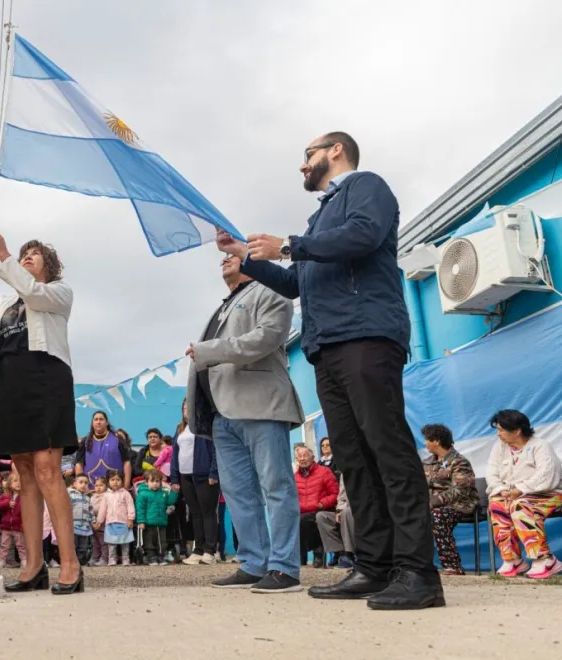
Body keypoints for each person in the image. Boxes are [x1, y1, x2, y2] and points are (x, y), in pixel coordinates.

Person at [222, 132, 443, 609]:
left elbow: (362, 235)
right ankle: (373, 566)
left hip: (366, 336)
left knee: (388, 450)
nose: (303, 165)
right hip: (328, 347)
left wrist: (291, 244)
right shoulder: (320, 218)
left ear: (335, 151)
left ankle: (418, 573)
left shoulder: (367, 187)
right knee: (354, 460)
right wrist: (246, 256)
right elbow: (295, 283)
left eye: (308, 154)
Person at [186, 250, 305, 592]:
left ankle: (284, 568)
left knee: (276, 487)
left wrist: (208, 350)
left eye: (232, 254)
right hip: (222, 414)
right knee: (238, 493)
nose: (224, 258)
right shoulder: (223, 305)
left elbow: (266, 338)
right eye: (220, 256)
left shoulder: (271, 290)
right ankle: (254, 562)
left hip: (261, 406)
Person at [0, 229, 82, 594]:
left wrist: (3, 256)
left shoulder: (58, 292)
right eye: (23, 255)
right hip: (9, 383)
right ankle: (33, 566)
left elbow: (34, 293)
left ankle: (70, 564)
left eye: (33, 255)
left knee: (48, 468)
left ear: (48, 265)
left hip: (45, 378)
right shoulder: (7, 301)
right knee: (23, 472)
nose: (26, 258)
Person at [486, 410, 562, 579]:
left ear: (517, 430)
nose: (498, 434)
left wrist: (520, 489)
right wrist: (501, 489)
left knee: (521, 506)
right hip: (512, 494)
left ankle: (545, 559)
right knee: (497, 505)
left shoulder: (540, 446)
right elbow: (491, 472)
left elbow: (547, 476)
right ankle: (513, 560)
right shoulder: (499, 447)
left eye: (501, 430)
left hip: (548, 493)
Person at [421, 424, 479, 576]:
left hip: (460, 505)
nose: (425, 443)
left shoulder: (459, 462)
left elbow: (460, 490)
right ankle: (414, 565)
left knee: (438, 515)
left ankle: (453, 565)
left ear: (437, 441)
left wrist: (433, 502)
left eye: (427, 439)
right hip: (432, 505)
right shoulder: (427, 463)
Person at [171, 399, 220, 565]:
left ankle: (210, 550)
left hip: (205, 475)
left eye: (189, 407)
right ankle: (198, 549)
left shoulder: (204, 426)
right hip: (186, 476)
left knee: (208, 512)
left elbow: (215, 450)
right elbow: (174, 454)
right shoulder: (180, 429)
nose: (186, 410)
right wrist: (175, 477)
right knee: (195, 514)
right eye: (184, 407)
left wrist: (214, 472)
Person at [295, 446, 339, 568]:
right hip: (302, 511)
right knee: (291, 520)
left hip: (320, 509)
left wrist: (323, 503)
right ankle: (300, 555)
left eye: (305, 455)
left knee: (304, 520)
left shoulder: (324, 471)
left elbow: (335, 494)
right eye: (300, 456)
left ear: (312, 457)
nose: (303, 459)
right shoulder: (295, 477)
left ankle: (318, 550)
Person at [75, 411, 131, 489]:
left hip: (115, 489)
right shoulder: (85, 441)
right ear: (92, 423)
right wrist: (80, 487)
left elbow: (126, 462)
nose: (98, 422)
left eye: (101, 419)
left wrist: (126, 486)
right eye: (96, 419)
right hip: (92, 489)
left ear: (107, 422)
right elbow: (79, 464)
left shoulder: (117, 439)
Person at [136, 470, 178, 566]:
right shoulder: (143, 494)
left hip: (161, 522)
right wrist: (141, 521)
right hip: (149, 523)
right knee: (149, 541)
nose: (155, 484)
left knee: (162, 541)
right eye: (152, 481)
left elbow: (169, 502)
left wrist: (174, 492)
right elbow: (140, 509)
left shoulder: (163, 493)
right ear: (146, 482)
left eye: (157, 481)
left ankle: (161, 556)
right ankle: (151, 557)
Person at [96, 469, 135, 566]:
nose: (115, 482)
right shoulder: (106, 495)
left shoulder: (125, 494)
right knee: (111, 543)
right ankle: (112, 559)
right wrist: (99, 521)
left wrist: (130, 518)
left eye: (118, 480)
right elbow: (102, 509)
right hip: (110, 523)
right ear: (108, 482)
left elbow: (130, 506)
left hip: (124, 522)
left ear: (122, 481)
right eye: (112, 479)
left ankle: (126, 559)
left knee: (125, 542)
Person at [317, 477, 355, 569]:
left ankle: (349, 554)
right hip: (345, 508)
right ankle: (339, 553)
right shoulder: (344, 473)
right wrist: (339, 511)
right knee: (322, 516)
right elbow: (342, 497)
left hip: (361, 510)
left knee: (347, 512)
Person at [0, 473, 26, 569]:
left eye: (20, 481)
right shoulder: (5, 495)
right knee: (4, 545)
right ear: (9, 484)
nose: (18, 483)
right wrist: (7, 504)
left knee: (21, 545)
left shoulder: (25, 496)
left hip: (18, 526)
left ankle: (24, 560)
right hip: (6, 526)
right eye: (15, 481)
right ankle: (2, 561)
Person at [67, 474, 94, 565]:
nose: (83, 485)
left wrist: (93, 521)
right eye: (81, 482)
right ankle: (72, 562)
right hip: (73, 526)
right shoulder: (70, 495)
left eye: (86, 483)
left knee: (83, 546)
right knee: (72, 545)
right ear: (74, 484)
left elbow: (90, 511)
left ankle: (80, 561)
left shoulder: (87, 498)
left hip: (85, 526)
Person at [89, 476, 109, 566]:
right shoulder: (93, 497)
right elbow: (90, 509)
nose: (98, 487)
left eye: (101, 485)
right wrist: (92, 521)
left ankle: (104, 558)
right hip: (93, 523)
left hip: (103, 523)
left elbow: (105, 510)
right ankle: (95, 557)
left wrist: (99, 521)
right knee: (94, 542)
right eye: (96, 485)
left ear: (106, 486)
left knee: (104, 543)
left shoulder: (107, 496)